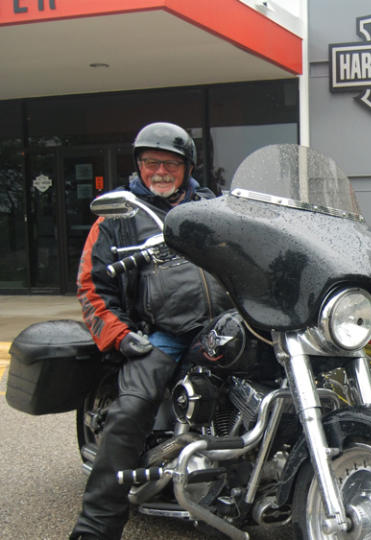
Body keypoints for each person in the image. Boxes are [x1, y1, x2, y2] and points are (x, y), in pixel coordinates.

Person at [71, 122, 231, 540]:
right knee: (131, 410)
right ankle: (96, 527)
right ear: (139, 166)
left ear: (188, 167)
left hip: (224, 325)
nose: (160, 171)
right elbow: (91, 286)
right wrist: (121, 336)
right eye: (151, 163)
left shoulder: (213, 209)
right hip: (160, 332)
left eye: (170, 164)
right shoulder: (118, 217)